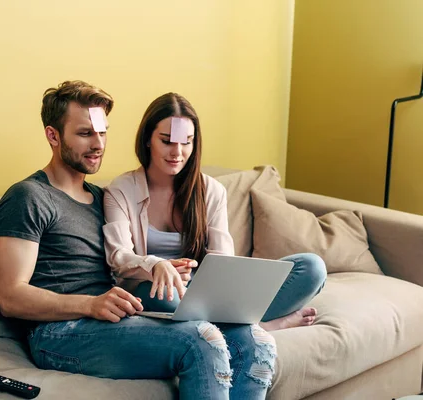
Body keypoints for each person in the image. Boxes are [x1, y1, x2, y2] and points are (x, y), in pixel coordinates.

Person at [0, 80, 277, 400]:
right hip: (58, 333)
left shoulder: (101, 198)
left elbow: (125, 259)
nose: (98, 143)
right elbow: (10, 297)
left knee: (255, 342)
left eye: (103, 132)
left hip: (116, 318)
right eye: (85, 133)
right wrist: (90, 304)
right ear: (53, 135)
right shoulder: (28, 196)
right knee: (201, 341)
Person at [103, 92, 327, 332]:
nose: (177, 153)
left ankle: (225, 324)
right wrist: (156, 265)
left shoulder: (211, 190)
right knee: (162, 295)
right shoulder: (121, 191)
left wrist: (218, 287)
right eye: (167, 141)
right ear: (148, 139)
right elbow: (118, 257)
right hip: (156, 292)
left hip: (206, 292)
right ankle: (261, 326)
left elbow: (223, 260)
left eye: (186, 141)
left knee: (312, 267)